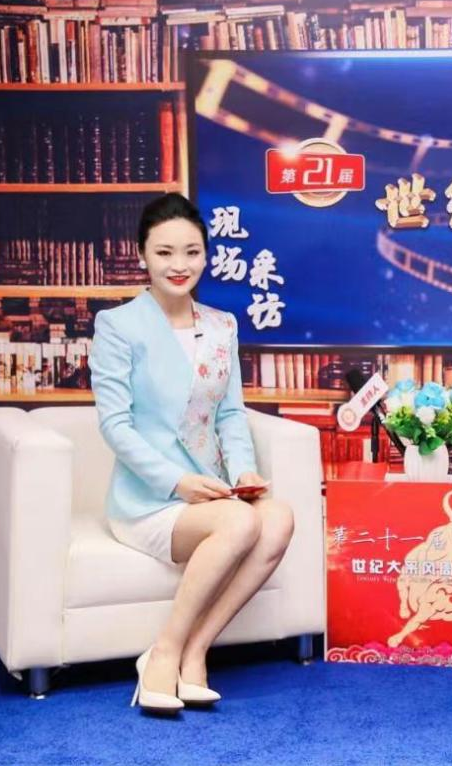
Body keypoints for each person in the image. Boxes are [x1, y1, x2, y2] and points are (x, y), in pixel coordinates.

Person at [90, 193, 294, 713]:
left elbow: (230, 414)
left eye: (191, 252)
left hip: (214, 491)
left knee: (279, 518)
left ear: (206, 255)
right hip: (151, 500)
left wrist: (244, 470)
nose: (178, 265)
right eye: (164, 253)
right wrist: (177, 482)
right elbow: (115, 426)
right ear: (142, 255)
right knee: (241, 523)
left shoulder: (223, 326)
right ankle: (163, 653)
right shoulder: (118, 326)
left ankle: (196, 648)